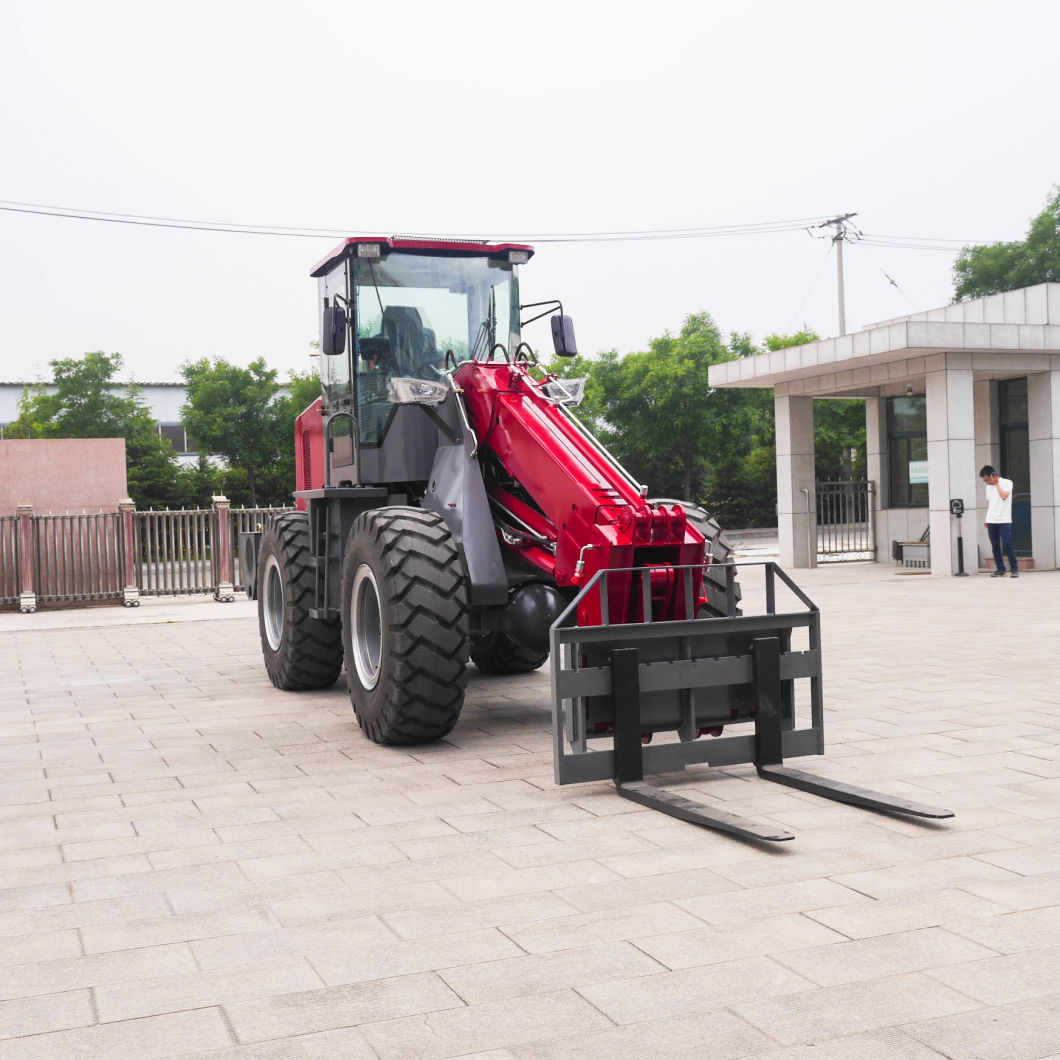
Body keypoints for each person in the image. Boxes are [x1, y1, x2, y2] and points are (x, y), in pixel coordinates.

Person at [979, 465, 1019, 578]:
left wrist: (996, 484)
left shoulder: (1007, 483)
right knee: (995, 545)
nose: (986, 482)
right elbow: (990, 504)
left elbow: (1004, 496)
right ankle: (1000, 569)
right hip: (991, 519)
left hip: (1004, 519)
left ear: (993, 475)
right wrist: (986, 518)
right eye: (984, 480)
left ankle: (1014, 569)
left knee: (1007, 544)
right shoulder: (988, 488)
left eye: (987, 479)